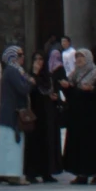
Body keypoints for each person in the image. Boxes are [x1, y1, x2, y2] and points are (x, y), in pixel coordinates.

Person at [60, 46, 96, 184]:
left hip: (95, 118)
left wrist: (93, 89)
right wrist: (67, 88)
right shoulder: (73, 75)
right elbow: (72, 95)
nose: (78, 60)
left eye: (81, 57)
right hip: (78, 117)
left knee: (94, 145)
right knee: (79, 146)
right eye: (77, 57)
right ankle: (81, 173)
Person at [23, 49, 61, 183]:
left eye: (41, 59)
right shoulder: (28, 76)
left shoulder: (49, 78)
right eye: (36, 59)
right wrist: (34, 74)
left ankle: (47, 172)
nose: (38, 62)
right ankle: (31, 173)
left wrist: (56, 98)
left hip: (47, 115)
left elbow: (54, 93)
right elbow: (28, 90)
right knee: (34, 143)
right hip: (34, 114)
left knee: (48, 143)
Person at [0, 45, 31, 183]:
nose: (23, 58)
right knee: (13, 145)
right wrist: (30, 82)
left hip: (8, 114)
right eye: (20, 55)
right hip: (12, 114)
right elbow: (23, 88)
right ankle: (13, 174)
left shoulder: (12, 71)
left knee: (7, 145)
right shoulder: (13, 71)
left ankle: (6, 172)